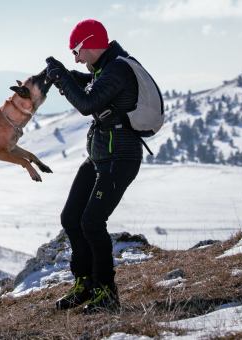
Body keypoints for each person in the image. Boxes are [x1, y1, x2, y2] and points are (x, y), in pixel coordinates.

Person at [45, 19, 162, 314]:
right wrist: (68, 76)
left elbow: (88, 103)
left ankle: (107, 294)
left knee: (92, 222)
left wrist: (62, 77)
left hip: (120, 159)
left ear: (90, 43)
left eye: (77, 50)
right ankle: (84, 284)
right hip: (100, 157)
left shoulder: (118, 69)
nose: (76, 57)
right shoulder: (104, 69)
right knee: (71, 217)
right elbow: (92, 88)